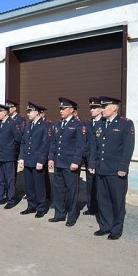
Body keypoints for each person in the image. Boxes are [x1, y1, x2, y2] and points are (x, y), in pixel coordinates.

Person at [90, 96, 135, 240]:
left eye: (104, 107)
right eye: (101, 107)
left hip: (116, 170)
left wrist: (123, 166)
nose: (101, 110)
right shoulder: (100, 124)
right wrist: (92, 163)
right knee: (103, 199)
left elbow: (128, 147)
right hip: (101, 168)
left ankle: (116, 229)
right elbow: (94, 146)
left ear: (114, 108)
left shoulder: (125, 124)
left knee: (117, 200)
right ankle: (105, 226)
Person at [48, 97, 86, 227]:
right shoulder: (57, 124)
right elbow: (53, 143)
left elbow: (80, 146)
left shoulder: (78, 125)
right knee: (58, 190)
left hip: (70, 164)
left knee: (71, 191)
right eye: (60, 108)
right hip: (59, 162)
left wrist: (76, 161)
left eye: (63, 109)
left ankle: (72, 216)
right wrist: (51, 158)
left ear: (71, 110)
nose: (61, 111)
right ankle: (59, 214)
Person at [18, 102, 52, 218]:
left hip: (37, 161)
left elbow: (45, 144)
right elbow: (23, 143)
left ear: (37, 112)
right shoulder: (28, 125)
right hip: (28, 159)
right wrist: (21, 157)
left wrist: (41, 160)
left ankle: (41, 207)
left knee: (39, 186)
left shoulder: (44, 126)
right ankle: (31, 205)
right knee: (29, 185)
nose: (27, 114)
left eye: (29, 111)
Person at [0, 103, 22, 209]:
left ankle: (10, 200)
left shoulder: (12, 123)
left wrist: (12, 149)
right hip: (0, 155)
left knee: (10, 179)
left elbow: (18, 139)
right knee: (0, 178)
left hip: (8, 155)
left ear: (4, 112)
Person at [82, 97, 102, 215]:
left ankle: (100, 207)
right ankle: (91, 207)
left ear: (101, 109)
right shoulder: (88, 123)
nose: (92, 110)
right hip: (89, 158)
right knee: (90, 183)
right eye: (91, 108)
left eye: (94, 108)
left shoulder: (104, 122)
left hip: (100, 159)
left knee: (100, 184)